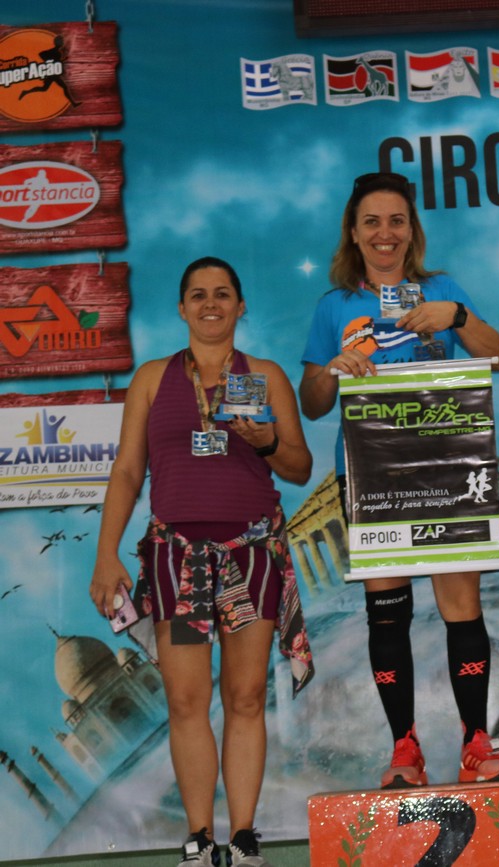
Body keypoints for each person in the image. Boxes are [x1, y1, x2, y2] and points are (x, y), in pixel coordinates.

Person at [90, 256, 315, 867]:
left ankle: (242, 838)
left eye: (222, 294)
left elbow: (299, 467)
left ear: (241, 306)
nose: (210, 304)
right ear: (182, 308)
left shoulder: (265, 376)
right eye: (198, 294)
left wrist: (266, 441)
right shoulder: (150, 379)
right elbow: (128, 471)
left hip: (251, 556)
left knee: (246, 696)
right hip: (177, 563)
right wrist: (106, 553)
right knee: (188, 701)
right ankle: (198, 838)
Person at [299, 171, 499, 789]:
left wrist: (458, 315)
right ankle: (404, 750)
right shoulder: (335, 305)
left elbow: (496, 357)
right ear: (354, 232)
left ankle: (476, 743)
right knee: (387, 615)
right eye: (372, 222)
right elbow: (311, 402)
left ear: (411, 230)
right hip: (373, 472)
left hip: (446, 464)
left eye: (396, 221)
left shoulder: (442, 289)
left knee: (461, 608)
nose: (385, 233)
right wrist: (332, 369)